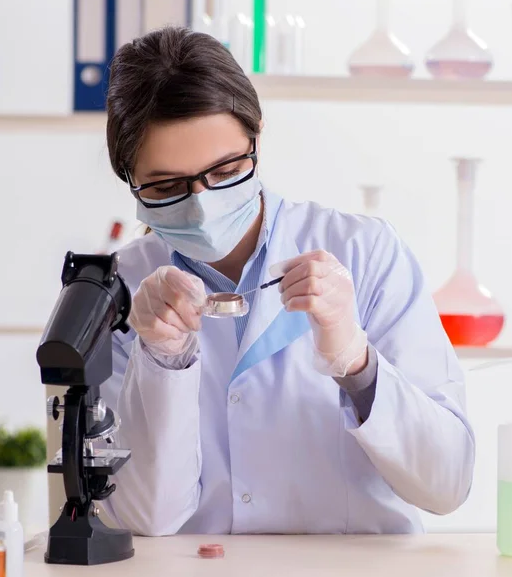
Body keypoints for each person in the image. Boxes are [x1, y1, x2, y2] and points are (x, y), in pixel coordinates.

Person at [100, 26, 475, 536]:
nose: (203, 202)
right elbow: (147, 518)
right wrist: (162, 360)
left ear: (257, 134)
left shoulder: (365, 253)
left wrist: (357, 362)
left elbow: (446, 482)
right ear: (130, 179)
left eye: (226, 168)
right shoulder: (114, 291)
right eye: (166, 185)